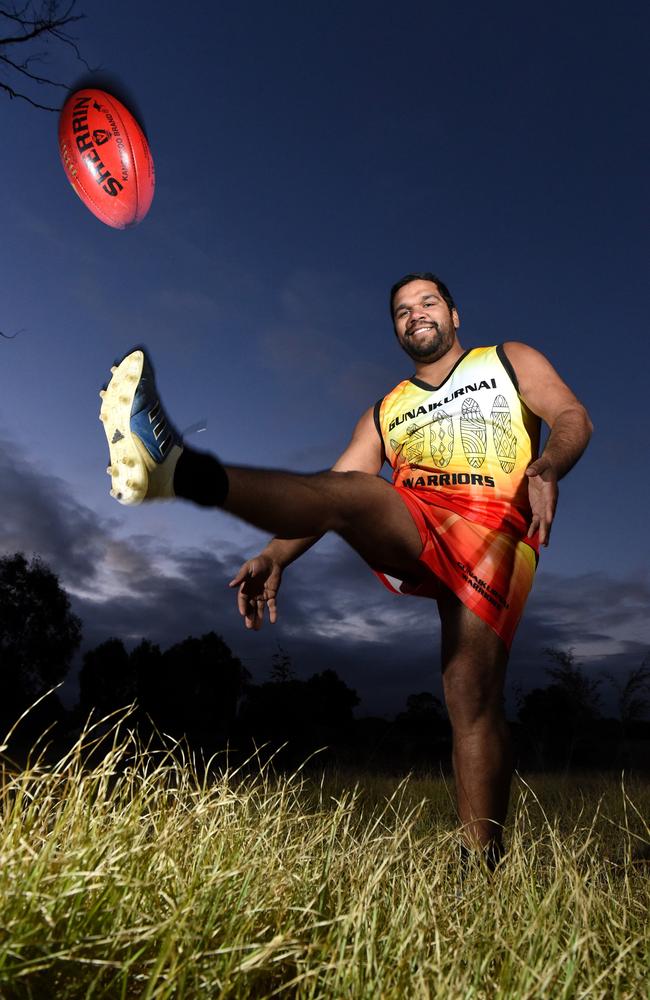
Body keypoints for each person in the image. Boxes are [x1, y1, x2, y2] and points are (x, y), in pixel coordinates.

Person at [99, 272, 592, 866]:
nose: (415, 315)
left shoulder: (508, 360)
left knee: (471, 697)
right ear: (396, 331)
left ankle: (481, 860)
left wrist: (548, 466)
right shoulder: (386, 411)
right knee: (353, 490)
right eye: (402, 312)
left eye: (427, 303)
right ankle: (175, 470)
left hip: (495, 532)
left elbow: (571, 415)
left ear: (455, 315)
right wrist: (276, 553)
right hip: (416, 520)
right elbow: (332, 490)